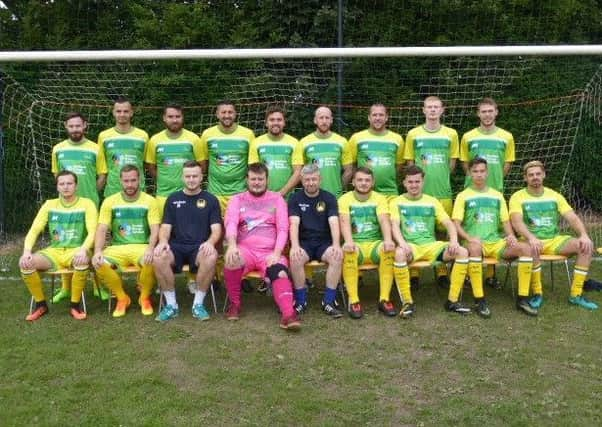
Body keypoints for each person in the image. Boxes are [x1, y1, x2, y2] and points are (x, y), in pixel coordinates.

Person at [509, 160, 599, 310]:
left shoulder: (554, 196)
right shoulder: (518, 197)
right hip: (530, 240)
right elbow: (517, 222)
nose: (535, 177)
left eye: (538, 174)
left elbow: (572, 217)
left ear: (544, 175)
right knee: (532, 248)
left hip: (554, 240)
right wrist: (531, 238)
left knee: (585, 246)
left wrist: (583, 234)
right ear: (525, 178)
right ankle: (537, 293)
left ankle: (576, 295)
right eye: (531, 175)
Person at [452, 158, 536, 316]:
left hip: (496, 243)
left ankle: (522, 299)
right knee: (475, 247)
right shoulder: (463, 196)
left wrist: (511, 235)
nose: (479, 175)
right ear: (469, 173)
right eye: (475, 171)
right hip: (474, 242)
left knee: (525, 248)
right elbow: (455, 224)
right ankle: (479, 299)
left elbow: (505, 221)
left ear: (487, 172)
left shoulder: (497, 196)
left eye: (482, 171)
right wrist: (469, 238)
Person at [390, 165, 477, 317]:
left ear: (423, 182)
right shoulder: (396, 202)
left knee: (462, 252)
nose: (414, 185)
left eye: (417, 181)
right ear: (404, 183)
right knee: (399, 254)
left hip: (431, 247)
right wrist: (402, 243)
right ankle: (407, 302)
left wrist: (454, 241)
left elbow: (449, 223)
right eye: (410, 182)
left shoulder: (432, 201)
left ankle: (452, 301)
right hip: (411, 246)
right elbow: (394, 226)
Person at [223, 163, 301, 330]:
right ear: (247, 180)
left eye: (260, 179)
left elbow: (282, 229)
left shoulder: (277, 199)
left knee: (279, 271)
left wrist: (277, 252)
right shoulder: (237, 200)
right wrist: (231, 245)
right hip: (246, 249)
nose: (256, 182)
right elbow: (231, 224)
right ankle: (235, 305)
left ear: (267, 180)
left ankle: (288, 314)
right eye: (253, 179)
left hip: (270, 252)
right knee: (231, 260)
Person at [19, 171, 97, 321]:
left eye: (69, 183)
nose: (66, 187)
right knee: (25, 263)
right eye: (62, 184)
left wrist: (83, 249)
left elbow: (93, 231)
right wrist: (27, 251)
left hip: (76, 250)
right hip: (54, 252)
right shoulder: (49, 205)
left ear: (76, 185)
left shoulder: (87, 204)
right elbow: (35, 229)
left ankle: (75, 305)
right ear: (57, 187)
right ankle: (41, 304)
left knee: (81, 261)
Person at [152, 161, 222, 322]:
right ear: (182, 177)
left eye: (195, 176)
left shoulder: (211, 200)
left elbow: (216, 229)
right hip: (176, 246)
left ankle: (198, 304)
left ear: (201, 177)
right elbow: (165, 227)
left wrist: (210, 242)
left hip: (199, 246)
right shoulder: (172, 199)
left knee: (211, 256)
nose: (191, 179)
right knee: (158, 256)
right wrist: (163, 241)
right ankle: (171, 305)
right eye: (188, 176)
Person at [50, 111, 107, 303]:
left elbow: (102, 175)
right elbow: (57, 175)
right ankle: (66, 288)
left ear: (85, 126)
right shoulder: (58, 149)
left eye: (78, 125)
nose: (75, 129)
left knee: (95, 243)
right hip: (66, 206)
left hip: (90, 204)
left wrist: (91, 194)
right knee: (66, 243)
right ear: (66, 127)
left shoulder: (95, 149)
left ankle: (99, 285)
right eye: (71, 126)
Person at [404, 96, 459, 288]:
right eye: (429, 107)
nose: (433, 110)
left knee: (442, 232)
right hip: (418, 195)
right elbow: (410, 165)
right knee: (414, 230)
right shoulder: (413, 134)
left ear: (442, 110)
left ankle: (442, 271)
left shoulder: (451, 134)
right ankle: (414, 273)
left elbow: (452, 164)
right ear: (423, 110)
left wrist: (439, 176)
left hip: (443, 192)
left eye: (436, 107)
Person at [460, 98, 515, 288]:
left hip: (495, 191)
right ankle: (468, 273)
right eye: (483, 111)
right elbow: (465, 163)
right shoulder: (468, 136)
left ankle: (491, 275)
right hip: (472, 190)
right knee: (471, 228)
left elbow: (507, 164)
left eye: (490, 111)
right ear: (478, 114)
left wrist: (495, 180)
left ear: (496, 112)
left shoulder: (506, 136)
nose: (487, 114)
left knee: (495, 231)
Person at [92, 165, 160, 318]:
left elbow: (155, 228)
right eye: (126, 181)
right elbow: (102, 229)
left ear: (140, 180)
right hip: (117, 248)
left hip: (141, 247)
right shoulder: (110, 201)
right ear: (120, 181)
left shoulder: (150, 201)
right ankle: (122, 298)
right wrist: (97, 251)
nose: (130, 184)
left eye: (133, 180)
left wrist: (150, 248)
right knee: (98, 262)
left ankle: (144, 297)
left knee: (154, 259)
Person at [338, 167, 396, 319]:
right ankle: (353, 300)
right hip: (356, 245)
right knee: (348, 251)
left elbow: (384, 220)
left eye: (367, 180)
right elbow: (344, 222)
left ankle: (384, 299)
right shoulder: (344, 199)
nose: (363, 183)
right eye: (360, 180)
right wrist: (349, 241)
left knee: (388, 250)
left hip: (374, 244)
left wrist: (388, 240)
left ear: (373, 182)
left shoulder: (379, 198)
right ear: (353, 182)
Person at [288, 163, 343, 318]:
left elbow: (333, 222)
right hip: (304, 242)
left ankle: (329, 302)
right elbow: (294, 223)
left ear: (320, 179)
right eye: (307, 180)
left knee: (336, 257)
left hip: (323, 243)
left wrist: (336, 245)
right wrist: (295, 246)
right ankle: (300, 301)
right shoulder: (294, 198)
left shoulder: (329, 198)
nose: (310, 183)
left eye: (314, 179)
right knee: (295, 258)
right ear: (301, 180)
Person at [145, 104, 203, 215]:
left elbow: (202, 165)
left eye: (178, 116)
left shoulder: (194, 139)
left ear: (183, 117)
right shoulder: (155, 140)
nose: (174, 120)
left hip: (189, 195)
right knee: (164, 229)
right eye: (170, 117)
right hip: (163, 195)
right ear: (164, 118)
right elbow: (151, 166)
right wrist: (165, 180)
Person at [199, 100, 255, 214]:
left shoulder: (248, 134)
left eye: (230, 112)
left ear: (235, 114)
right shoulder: (207, 134)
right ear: (217, 114)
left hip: (240, 192)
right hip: (215, 192)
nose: (227, 115)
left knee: (237, 228)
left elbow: (252, 165)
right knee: (216, 228)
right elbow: (204, 163)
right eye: (223, 112)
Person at [97, 97, 149, 198]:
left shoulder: (143, 136)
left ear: (131, 113)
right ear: (113, 113)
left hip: (138, 192)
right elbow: (102, 166)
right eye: (118, 111)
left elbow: (145, 163)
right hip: (112, 192)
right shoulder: (103, 136)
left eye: (126, 111)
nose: (122, 114)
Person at [348, 103, 404, 197]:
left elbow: (398, 166)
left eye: (381, 115)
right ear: (369, 117)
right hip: (364, 194)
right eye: (374, 115)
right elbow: (351, 165)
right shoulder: (356, 138)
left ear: (386, 117)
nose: (378, 118)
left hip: (389, 193)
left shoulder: (397, 139)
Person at [248, 105, 303, 197]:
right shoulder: (256, 143)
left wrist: (282, 193)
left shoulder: (294, 143)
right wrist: (264, 193)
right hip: (262, 197)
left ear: (284, 122)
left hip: (287, 197)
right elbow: (254, 173)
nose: (275, 123)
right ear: (266, 123)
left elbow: (298, 172)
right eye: (272, 120)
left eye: (279, 120)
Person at [299, 106, 353, 198]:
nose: (324, 121)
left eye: (327, 118)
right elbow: (299, 171)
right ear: (315, 120)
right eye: (321, 118)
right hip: (311, 196)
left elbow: (349, 170)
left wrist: (339, 187)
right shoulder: (304, 143)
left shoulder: (342, 142)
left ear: (331, 120)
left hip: (335, 196)